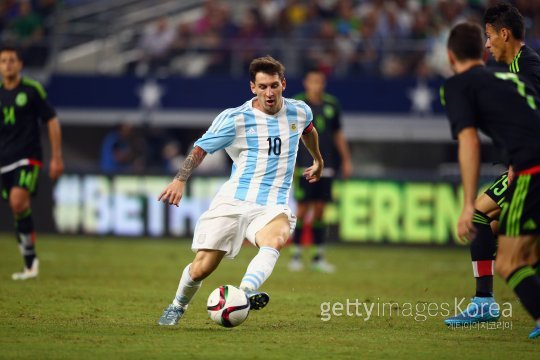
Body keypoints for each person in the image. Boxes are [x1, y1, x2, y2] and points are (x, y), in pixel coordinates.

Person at [156, 56, 324, 326]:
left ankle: (245, 292)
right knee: (202, 268)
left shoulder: (300, 111)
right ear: (252, 88)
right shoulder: (235, 119)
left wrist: (318, 159)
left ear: (283, 84)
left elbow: (309, 131)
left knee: (277, 238)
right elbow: (201, 149)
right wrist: (180, 179)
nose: (269, 93)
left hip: (272, 205)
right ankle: (177, 305)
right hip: (234, 201)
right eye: (262, 87)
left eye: (273, 85)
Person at [442, 22, 540, 339]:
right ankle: (484, 301)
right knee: (507, 236)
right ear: (481, 55)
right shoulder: (511, 78)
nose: (488, 44)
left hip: (533, 169)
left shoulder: (458, 86)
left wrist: (467, 204)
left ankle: (485, 302)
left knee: (511, 261)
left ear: (450, 57)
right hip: (523, 165)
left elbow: (469, 142)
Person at [0, 46, 63, 280]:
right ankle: (29, 261)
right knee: (19, 207)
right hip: (4, 160)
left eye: (11, 60)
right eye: (3, 61)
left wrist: (56, 157)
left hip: (28, 156)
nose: (7, 64)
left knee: (17, 202)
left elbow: (52, 120)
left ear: (19, 65)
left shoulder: (32, 90)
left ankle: (29, 261)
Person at [289, 68, 352, 273]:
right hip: (303, 166)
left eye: (320, 81)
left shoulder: (332, 104)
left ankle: (318, 257)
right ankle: (296, 255)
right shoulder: (297, 104)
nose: (316, 85)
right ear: (306, 83)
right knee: (302, 209)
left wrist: (346, 160)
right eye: (313, 81)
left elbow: (337, 134)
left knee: (320, 211)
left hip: (328, 165)